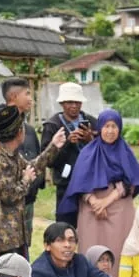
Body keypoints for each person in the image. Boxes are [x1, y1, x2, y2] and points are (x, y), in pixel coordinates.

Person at [0, 105, 66, 277]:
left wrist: (53, 146)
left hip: (14, 234)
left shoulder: (11, 154)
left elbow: (31, 167)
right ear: (19, 132)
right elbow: (9, 196)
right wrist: (26, 181)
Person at [57, 109, 139, 277]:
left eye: (114, 126)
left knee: (119, 249)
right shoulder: (88, 152)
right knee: (91, 248)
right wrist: (94, 202)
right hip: (92, 210)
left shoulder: (125, 152)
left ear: (119, 128)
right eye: (106, 126)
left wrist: (105, 202)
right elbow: (78, 183)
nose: (110, 131)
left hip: (119, 209)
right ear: (99, 128)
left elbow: (131, 182)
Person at [0, 78, 42, 239]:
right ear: (14, 97)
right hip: (1, 209)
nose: (31, 98)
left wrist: (33, 185)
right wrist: (10, 181)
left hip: (27, 202)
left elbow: (35, 161)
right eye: (27, 94)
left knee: (22, 255)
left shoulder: (29, 130)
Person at [41, 82, 97, 226]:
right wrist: (67, 144)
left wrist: (90, 140)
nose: (74, 106)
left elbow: (104, 152)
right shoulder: (52, 125)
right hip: (66, 185)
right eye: (69, 102)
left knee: (90, 226)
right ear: (62, 103)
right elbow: (47, 161)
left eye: (77, 102)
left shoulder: (91, 122)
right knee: (66, 226)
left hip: (91, 183)